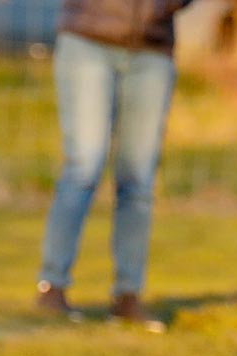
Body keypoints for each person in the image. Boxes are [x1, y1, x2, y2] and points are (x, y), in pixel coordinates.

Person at [33, 0, 192, 331]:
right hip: (88, 36)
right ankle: (52, 286)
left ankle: (128, 296)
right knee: (83, 166)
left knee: (139, 179)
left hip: (152, 46)